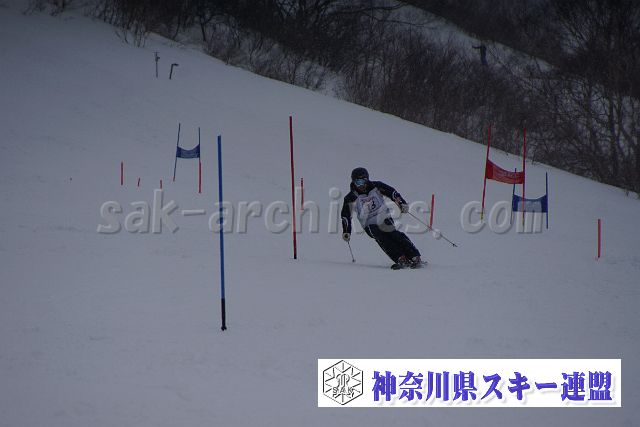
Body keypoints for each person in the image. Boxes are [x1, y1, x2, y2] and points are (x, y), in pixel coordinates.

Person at [341, 167, 422, 269]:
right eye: (358, 182)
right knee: (380, 237)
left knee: (393, 233)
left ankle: (414, 256)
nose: (361, 185)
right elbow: (345, 215)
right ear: (353, 182)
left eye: (363, 181)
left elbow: (392, 192)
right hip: (368, 223)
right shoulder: (350, 197)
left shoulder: (376, 186)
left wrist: (401, 203)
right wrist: (346, 231)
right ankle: (400, 258)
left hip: (383, 216)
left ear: (367, 180)